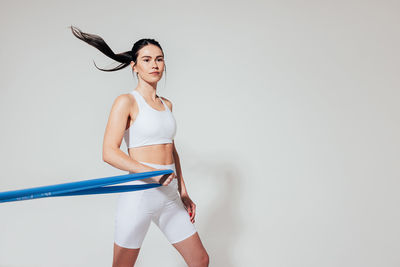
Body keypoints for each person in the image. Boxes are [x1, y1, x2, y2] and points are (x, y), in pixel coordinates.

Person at [70, 26, 209, 267]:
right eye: (146, 60)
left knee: (200, 260)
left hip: (169, 193)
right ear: (134, 66)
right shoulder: (126, 102)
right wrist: (152, 174)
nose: (154, 64)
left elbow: (171, 150)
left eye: (159, 59)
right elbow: (109, 152)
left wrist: (183, 191)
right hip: (139, 194)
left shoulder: (167, 105)